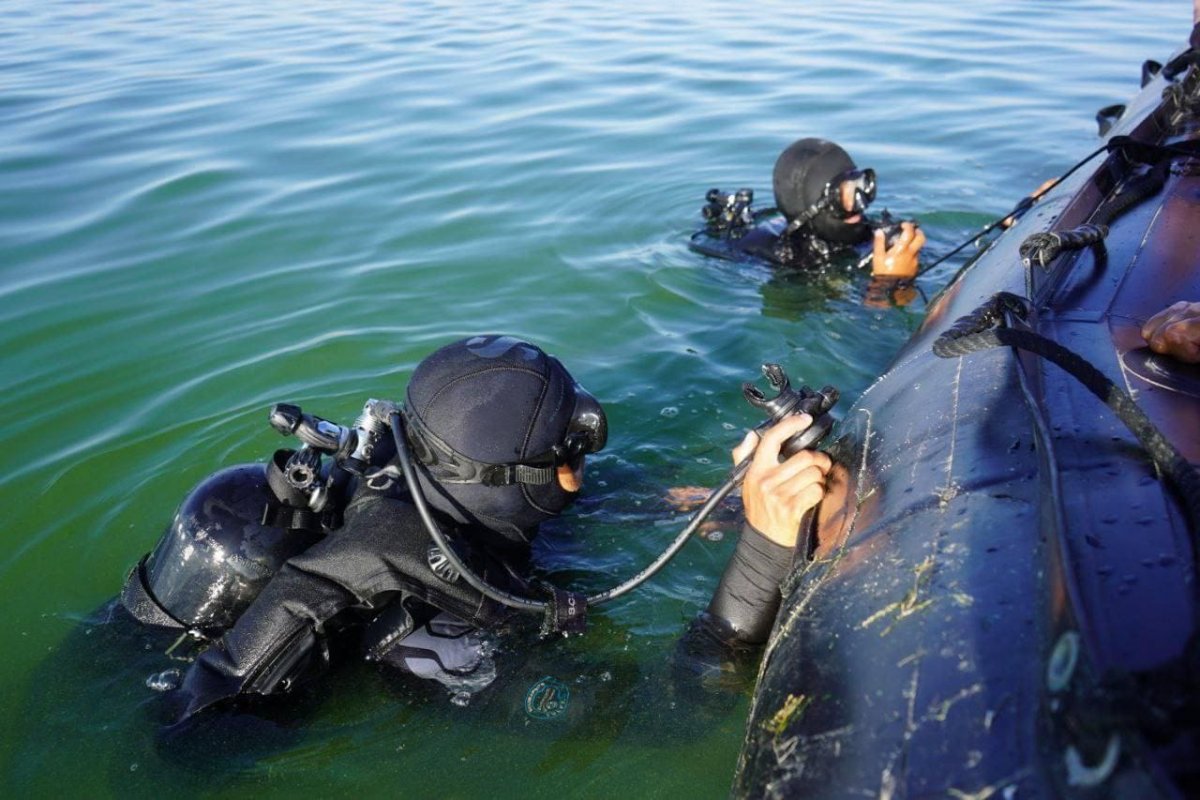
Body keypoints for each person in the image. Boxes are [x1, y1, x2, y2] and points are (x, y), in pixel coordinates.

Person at [122, 334, 829, 722]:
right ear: (525, 480)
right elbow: (665, 718)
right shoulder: (430, 634)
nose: (584, 469)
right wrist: (764, 550)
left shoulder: (428, 476)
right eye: (570, 455)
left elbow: (549, 498)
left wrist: (720, 499)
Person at [690, 138, 927, 284]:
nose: (860, 203)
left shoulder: (865, 232)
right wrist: (889, 284)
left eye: (861, 187)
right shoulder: (789, 263)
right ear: (816, 205)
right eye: (844, 196)